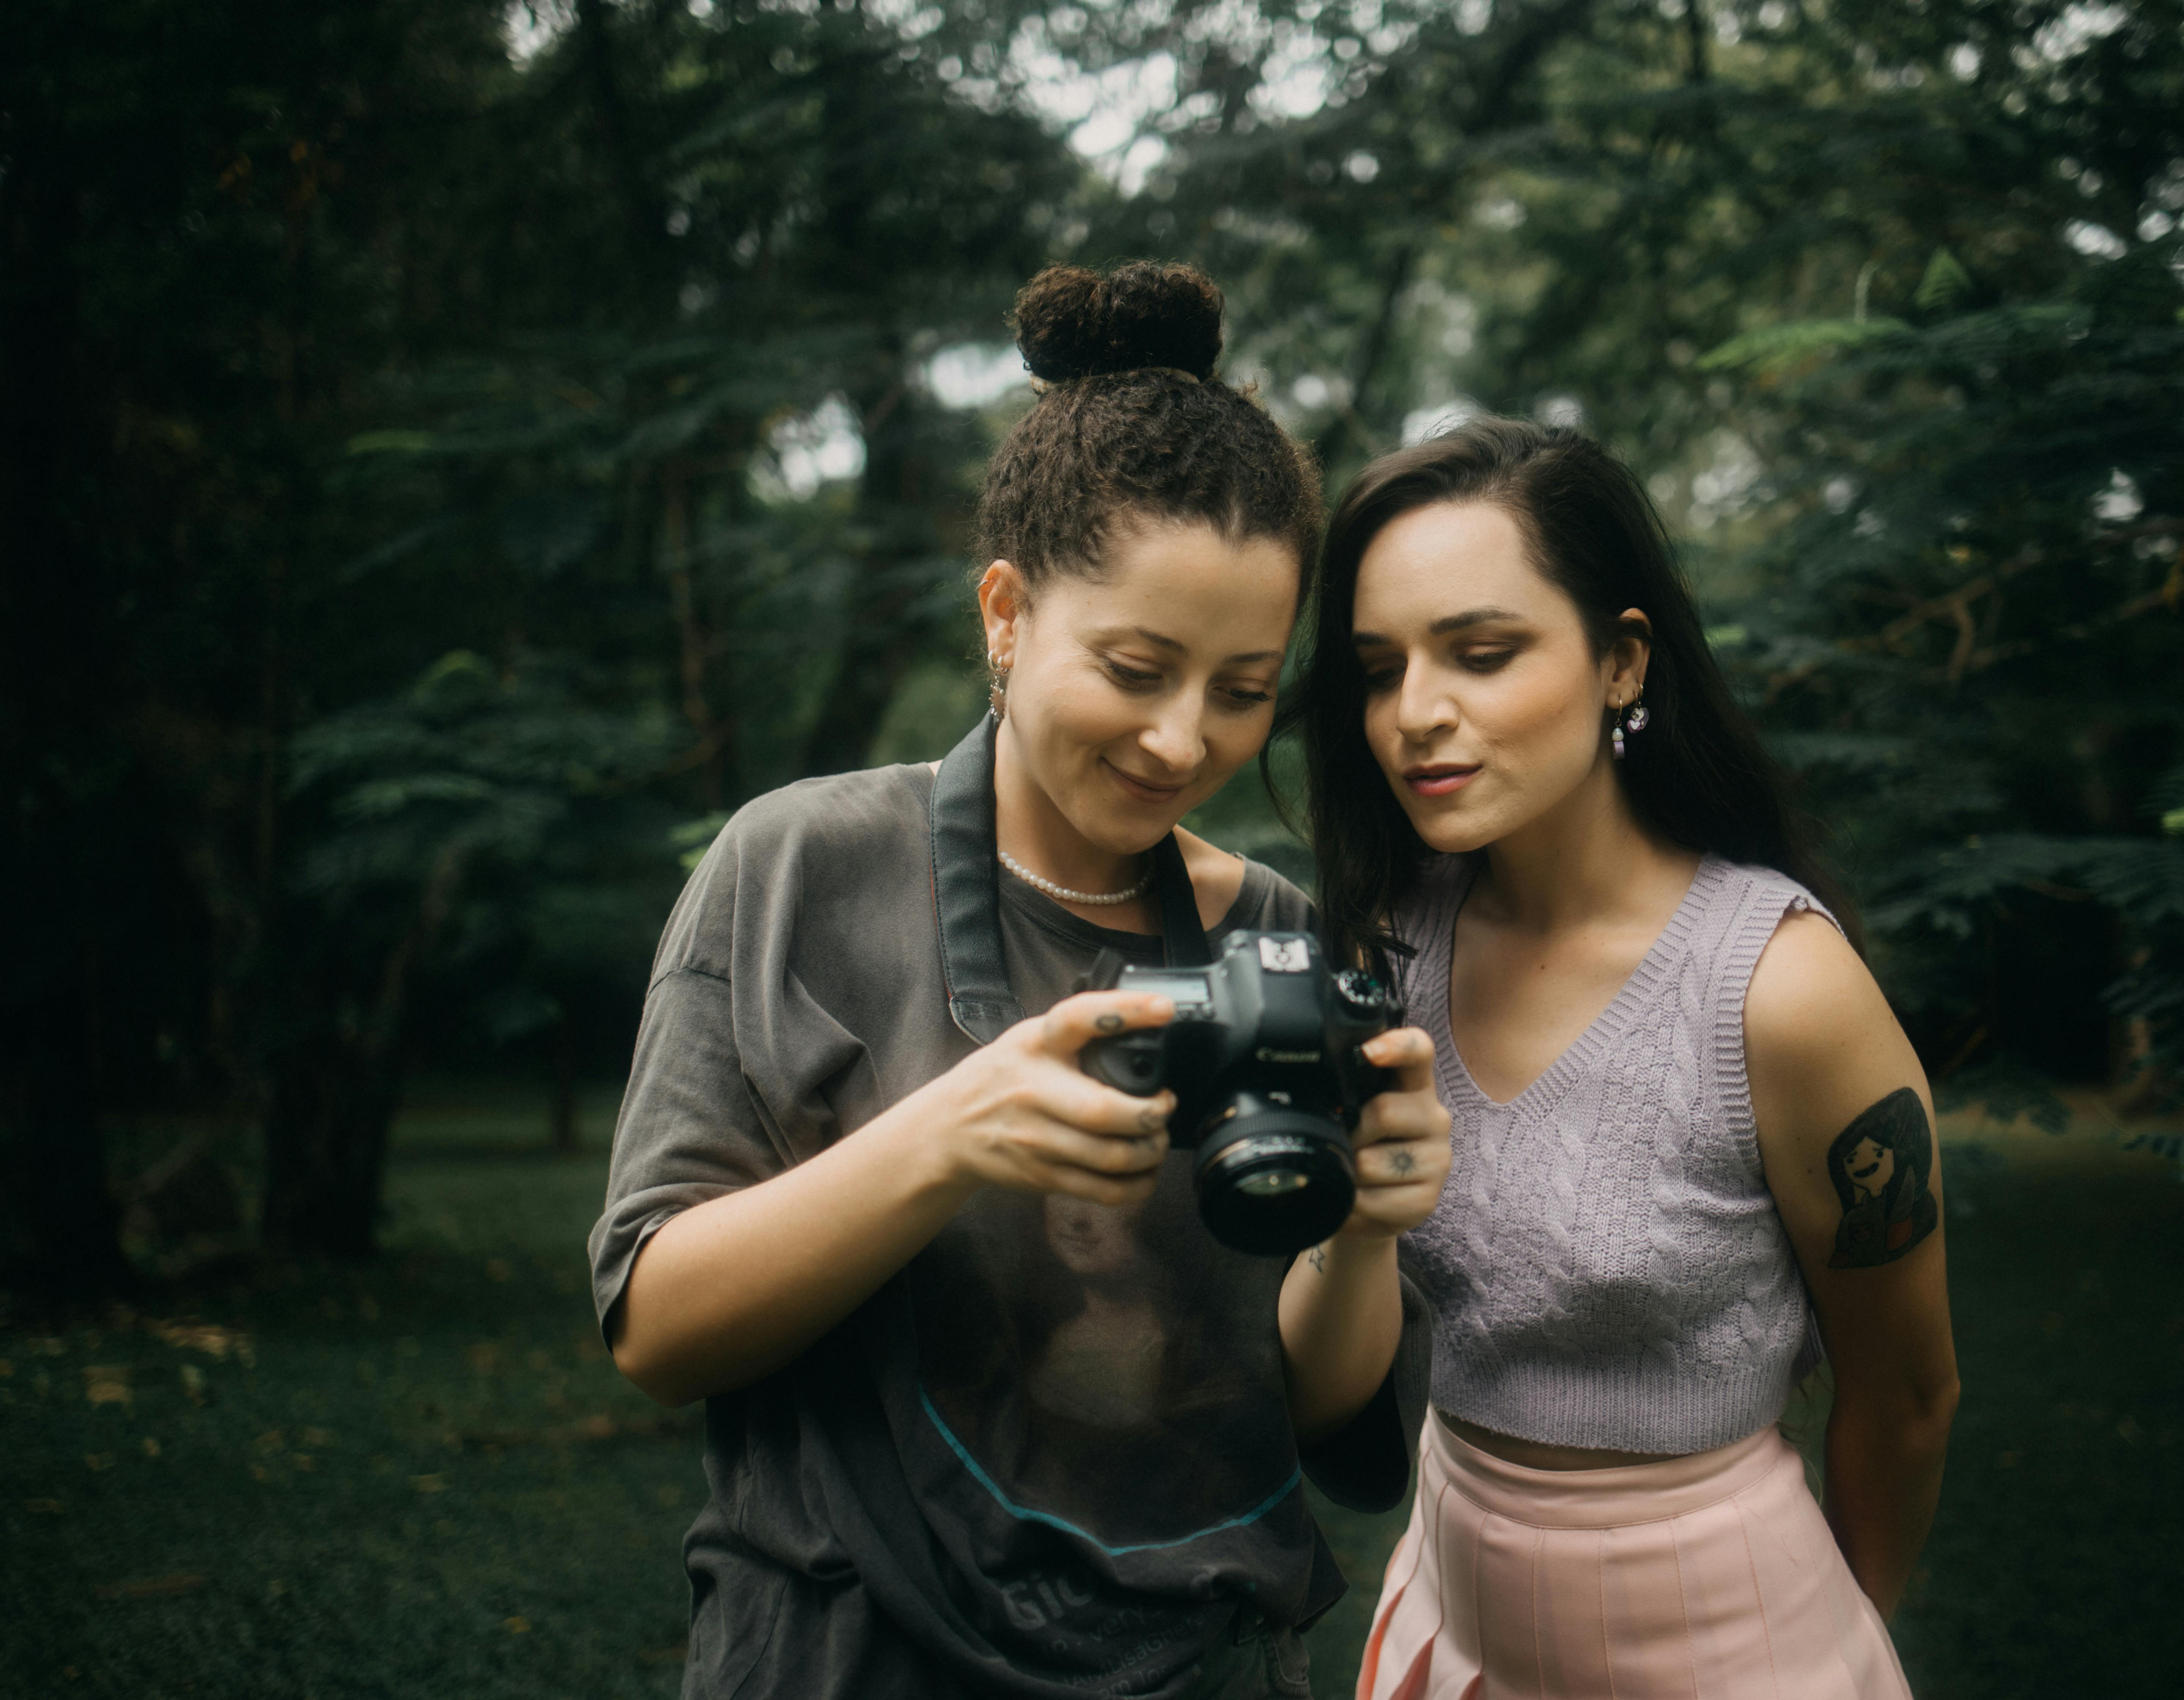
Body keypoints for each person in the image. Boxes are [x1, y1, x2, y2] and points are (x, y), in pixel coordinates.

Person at [590, 261, 1453, 1700]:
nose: (1184, 741)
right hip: (855, 1654)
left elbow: (1312, 1411)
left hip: (1213, 1664)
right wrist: (949, 1135)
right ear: (1006, 611)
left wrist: (1365, 1231)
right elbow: (658, 1328)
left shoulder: (1279, 937)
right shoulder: (802, 865)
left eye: (1243, 690)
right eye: (1134, 667)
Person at [1290, 417, 1959, 1699]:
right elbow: (1331, 1376)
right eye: (1379, 670)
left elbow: (1911, 1392)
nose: (1416, 715)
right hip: (1450, 1614)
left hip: (1733, 1639)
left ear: (1622, 663)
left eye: (1483, 654)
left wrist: (1838, 1642)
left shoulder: (1781, 992)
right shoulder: (1389, 950)